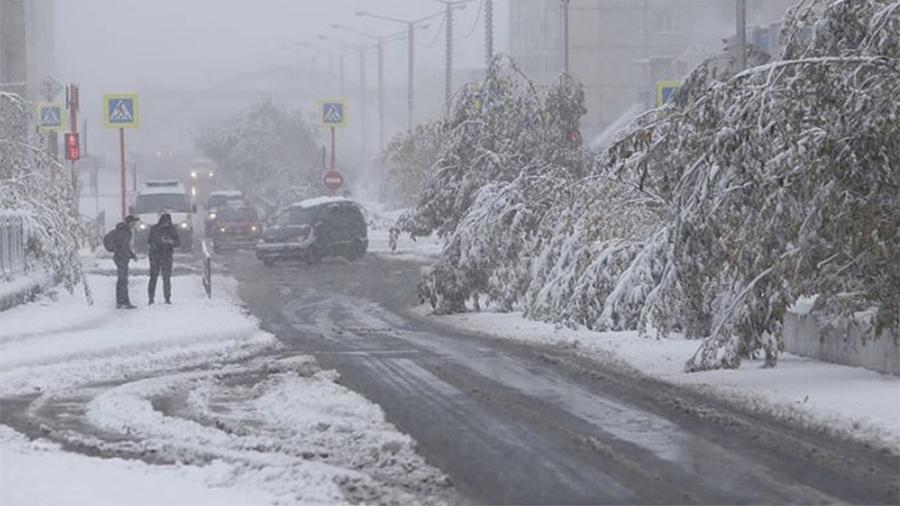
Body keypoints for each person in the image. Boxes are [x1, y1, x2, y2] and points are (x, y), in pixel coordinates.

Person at [147, 212, 180, 305]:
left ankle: (167, 297)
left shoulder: (171, 229)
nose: (166, 223)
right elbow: (149, 241)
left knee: (166, 278)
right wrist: (160, 243)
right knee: (154, 278)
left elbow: (178, 242)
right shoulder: (156, 229)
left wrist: (171, 242)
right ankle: (151, 297)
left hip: (164, 255)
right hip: (157, 255)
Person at [113, 215, 139, 309]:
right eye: (134, 222)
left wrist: (131, 255)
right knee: (123, 280)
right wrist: (131, 255)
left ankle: (120, 302)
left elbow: (124, 246)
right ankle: (124, 302)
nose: (135, 224)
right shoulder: (126, 231)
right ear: (130, 222)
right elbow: (125, 246)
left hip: (119, 257)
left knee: (121, 280)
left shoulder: (121, 230)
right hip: (122, 258)